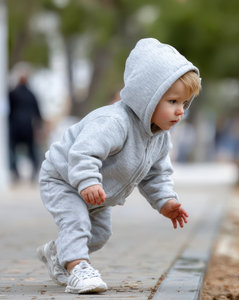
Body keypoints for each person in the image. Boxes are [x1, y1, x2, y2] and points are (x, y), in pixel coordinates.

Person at [36, 38, 201, 294]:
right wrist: (87, 181)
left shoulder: (159, 137)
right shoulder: (114, 121)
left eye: (184, 104)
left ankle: (57, 252)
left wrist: (166, 201)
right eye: (172, 102)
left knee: (100, 233)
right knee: (76, 222)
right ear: (148, 97)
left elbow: (157, 174)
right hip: (64, 179)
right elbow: (83, 152)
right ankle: (78, 269)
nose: (180, 111)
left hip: (98, 193)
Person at [8, 73, 42, 182]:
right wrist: (39, 126)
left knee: (13, 150)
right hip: (28, 126)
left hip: (15, 126)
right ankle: (34, 172)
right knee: (32, 150)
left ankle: (15, 173)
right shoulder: (31, 94)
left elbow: (9, 110)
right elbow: (37, 112)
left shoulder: (13, 93)